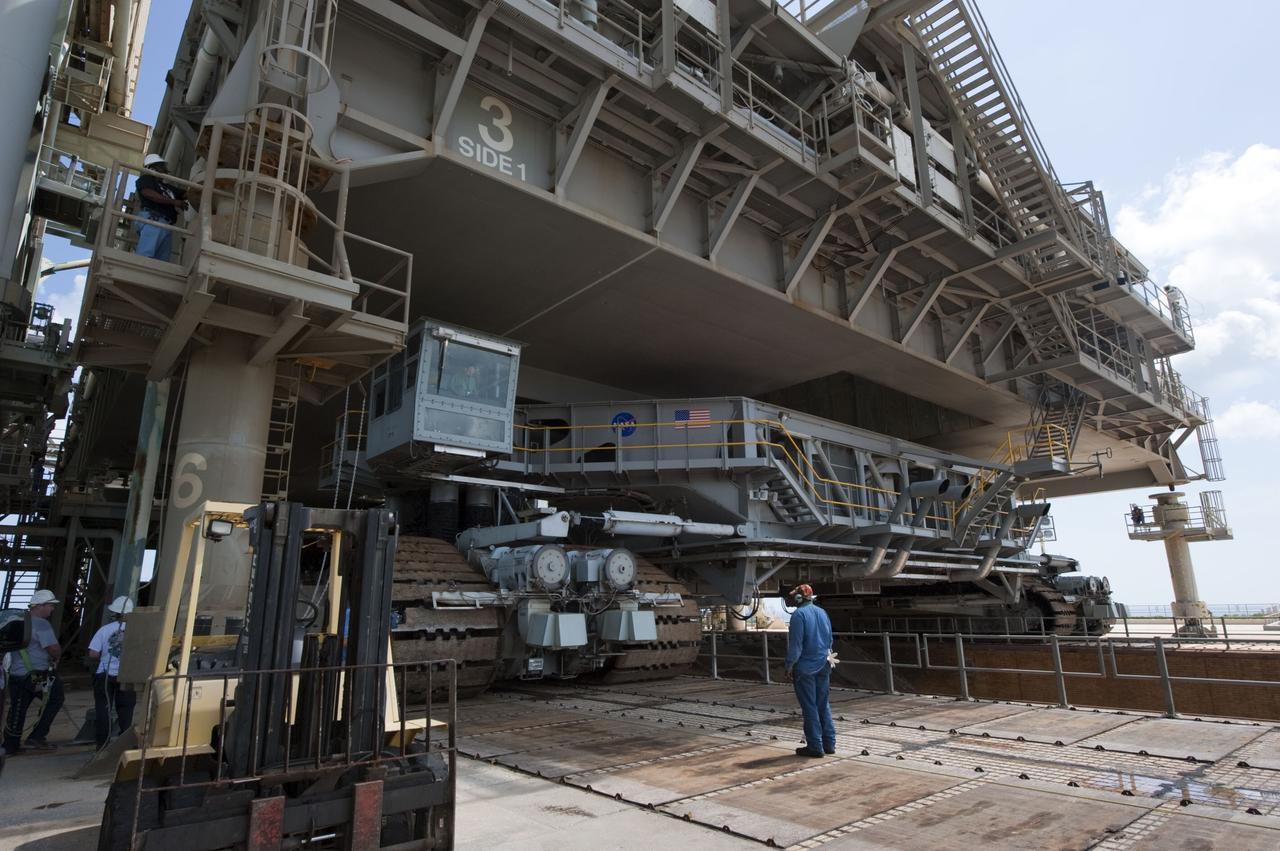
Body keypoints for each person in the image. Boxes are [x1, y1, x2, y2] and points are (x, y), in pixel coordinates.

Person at [3, 590, 65, 754]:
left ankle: (10, 744)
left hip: (16, 674)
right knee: (55, 698)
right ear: (41, 606)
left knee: (18, 707)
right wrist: (57, 656)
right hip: (37, 674)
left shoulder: (16, 621)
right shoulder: (42, 624)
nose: (52, 609)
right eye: (50, 605)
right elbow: (53, 649)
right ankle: (37, 736)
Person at [784, 583, 836, 757]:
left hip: (806, 668)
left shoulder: (799, 615)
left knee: (810, 707)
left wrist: (789, 665)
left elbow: (796, 645)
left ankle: (815, 746)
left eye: (794, 596)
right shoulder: (823, 612)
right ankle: (829, 744)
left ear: (799, 597)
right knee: (823, 704)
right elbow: (829, 640)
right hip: (824, 664)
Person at [88, 596, 137, 750]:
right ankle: (124, 744)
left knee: (103, 708)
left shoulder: (105, 630)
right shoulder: (137, 631)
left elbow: (93, 654)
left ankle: (101, 744)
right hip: (127, 675)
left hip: (104, 674)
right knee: (126, 709)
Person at [134, 153, 186, 261]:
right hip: (153, 221)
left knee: (161, 263)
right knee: (144, 258)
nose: (165, 170)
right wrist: (174, 202)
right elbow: (150, 194)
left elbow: (186, 194)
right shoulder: (146, 179)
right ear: (153, 168)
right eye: (162, 167)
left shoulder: (167, 187)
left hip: (166, 225)